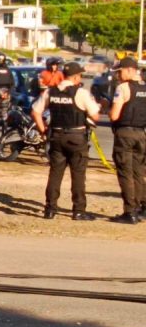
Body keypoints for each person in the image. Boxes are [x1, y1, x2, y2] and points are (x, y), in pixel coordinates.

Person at [31, 62, 100, 221]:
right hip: (76, 137)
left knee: (55, 173)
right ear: (76, 77)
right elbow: (95, 116)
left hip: (56, 136)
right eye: (80, 76)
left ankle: (50, 209)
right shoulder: (81, 93)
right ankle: (78, 210)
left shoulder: (51, 91)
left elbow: (35, 112)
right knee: (78, 175)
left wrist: (43, 130)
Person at [108, 57, 146, 224]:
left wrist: (108, 110)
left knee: (125, 172)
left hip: (125, 134)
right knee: (138, 173)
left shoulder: (123, 88)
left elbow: (115, 115)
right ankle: (139, 208)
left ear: (130, 70)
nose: (118, 75)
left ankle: (129, 211)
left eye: (120, 71)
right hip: (141, 134)